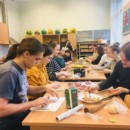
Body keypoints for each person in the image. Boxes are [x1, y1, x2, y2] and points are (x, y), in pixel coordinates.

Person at [0, 38, 58, 130]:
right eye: (37, 59)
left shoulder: (22, 67)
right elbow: (1, 109)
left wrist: (44, 88)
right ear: (26, 54)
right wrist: (33, 103)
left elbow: (24, 88)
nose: (38, 62)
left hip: (22, 116)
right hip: (11, 124)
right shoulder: (10, 72)